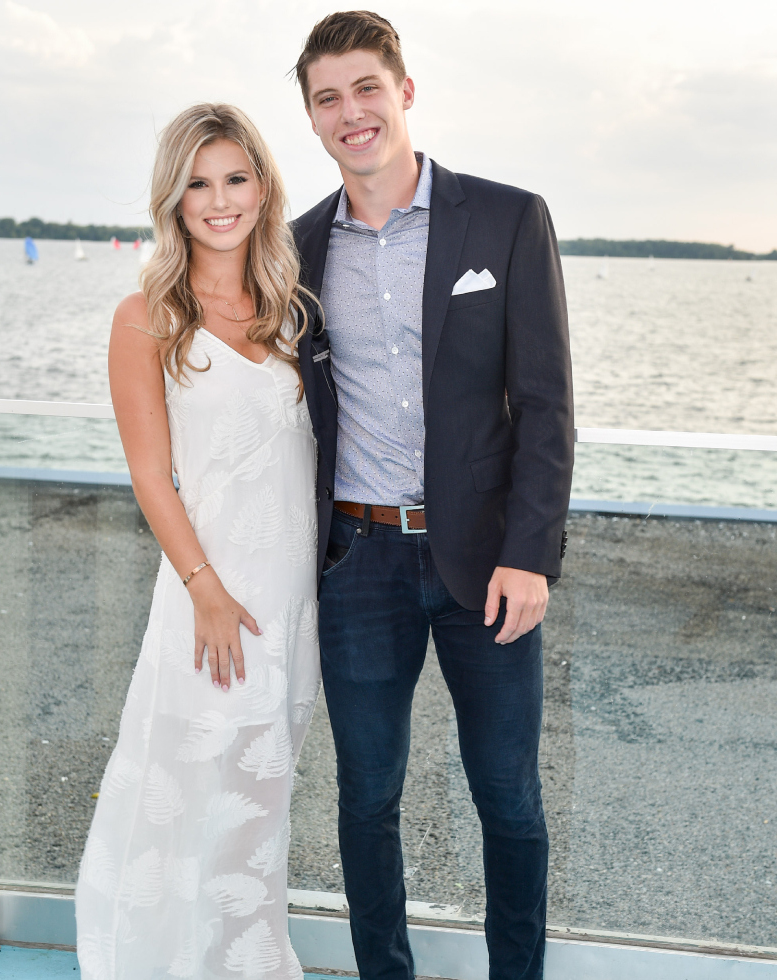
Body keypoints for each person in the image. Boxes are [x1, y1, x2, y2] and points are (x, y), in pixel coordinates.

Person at [291, 12, 574, 980]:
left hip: (487, 561)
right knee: (365, 795)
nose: (350, 111)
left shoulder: (503, 218)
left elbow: (544, 405)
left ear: (402, 93)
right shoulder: (292, 250)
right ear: (313, 119)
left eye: (364, 87)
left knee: (507, 796)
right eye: (327, 97)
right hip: (357, 562)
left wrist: (530, 552)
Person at [74, 103, 320, 979]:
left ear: (263, 185)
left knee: (257, 805)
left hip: (292, 603)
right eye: (198, 184)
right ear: (174, 201)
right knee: (183, 793)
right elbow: (150, 473)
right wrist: (204, 589)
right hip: (206, 597)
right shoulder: (146, 315)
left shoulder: (294, 306)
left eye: (236, 178)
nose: (220, 201)